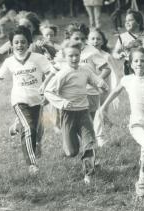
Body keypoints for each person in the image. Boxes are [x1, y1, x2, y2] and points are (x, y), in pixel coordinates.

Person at [99, 47, 144, 197]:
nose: (139, 63)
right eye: (136, 61)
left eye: (142, 60)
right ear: (131, 64)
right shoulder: (127, 79)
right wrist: (103, 107)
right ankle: (141, 182)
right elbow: (115, 91)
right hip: (137, 123)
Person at [0, 26, 56, 175]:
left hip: (38, 100)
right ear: (11, 45)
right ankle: (32, 164)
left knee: (37, 131)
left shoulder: (38, 58)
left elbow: (52, 73)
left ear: (29, 43)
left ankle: (16, 128)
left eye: (23, 42)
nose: (20, 45)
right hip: (19, 100)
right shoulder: (9, 62)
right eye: (16, 42)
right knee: (29, 129)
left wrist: (48, 90)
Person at [44, 40, 108, 184]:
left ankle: (88, 174)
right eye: (70, 56)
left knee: (89, 142)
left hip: (83, 112)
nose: (74, 59)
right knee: (71, 152)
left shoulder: (84, 68)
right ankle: (72, 147)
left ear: (80, 54)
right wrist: (62, 102)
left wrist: (101, 84)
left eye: (77, 55)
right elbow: (49, 91)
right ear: (65, 57)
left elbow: (92, 78)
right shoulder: (63, 73)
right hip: (68, 114)